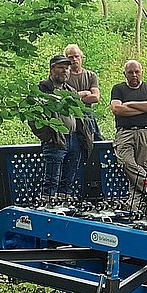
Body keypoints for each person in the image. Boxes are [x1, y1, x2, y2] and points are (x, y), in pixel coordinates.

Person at [31, 55, 91, 200]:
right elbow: (33, 118)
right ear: (52, 69)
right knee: (51, 179)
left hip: (74, 138)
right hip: (55, 139)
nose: (65, 71)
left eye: (67, 68)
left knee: (68, 181)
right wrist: (49, 136)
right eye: (61, 67)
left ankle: (65, 205)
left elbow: (79, 115)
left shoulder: (71, 90)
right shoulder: (41, 90)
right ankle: (49, 207)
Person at [111, 60, 147, 206]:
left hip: (145, 133)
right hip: (124, 133)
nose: (134, 75)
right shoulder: (118, 89)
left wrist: (129, 104)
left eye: (136, 72)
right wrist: (144, 107)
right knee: (127, 164)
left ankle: (135, 204)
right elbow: (117, 109)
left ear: (141, 72)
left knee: (143, 167)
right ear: (125, 74)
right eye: (130, 72)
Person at [65, 44, 104, 141]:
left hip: (88, 116)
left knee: (97, 141)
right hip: (70, 117)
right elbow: (64, 100)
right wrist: (83, 94)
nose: (74, 59)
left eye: (76, 56)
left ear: (81, 57)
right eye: (70, 57)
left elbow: (95, 98)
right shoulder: (64, 77)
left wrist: (74, 97)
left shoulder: (91, 75)